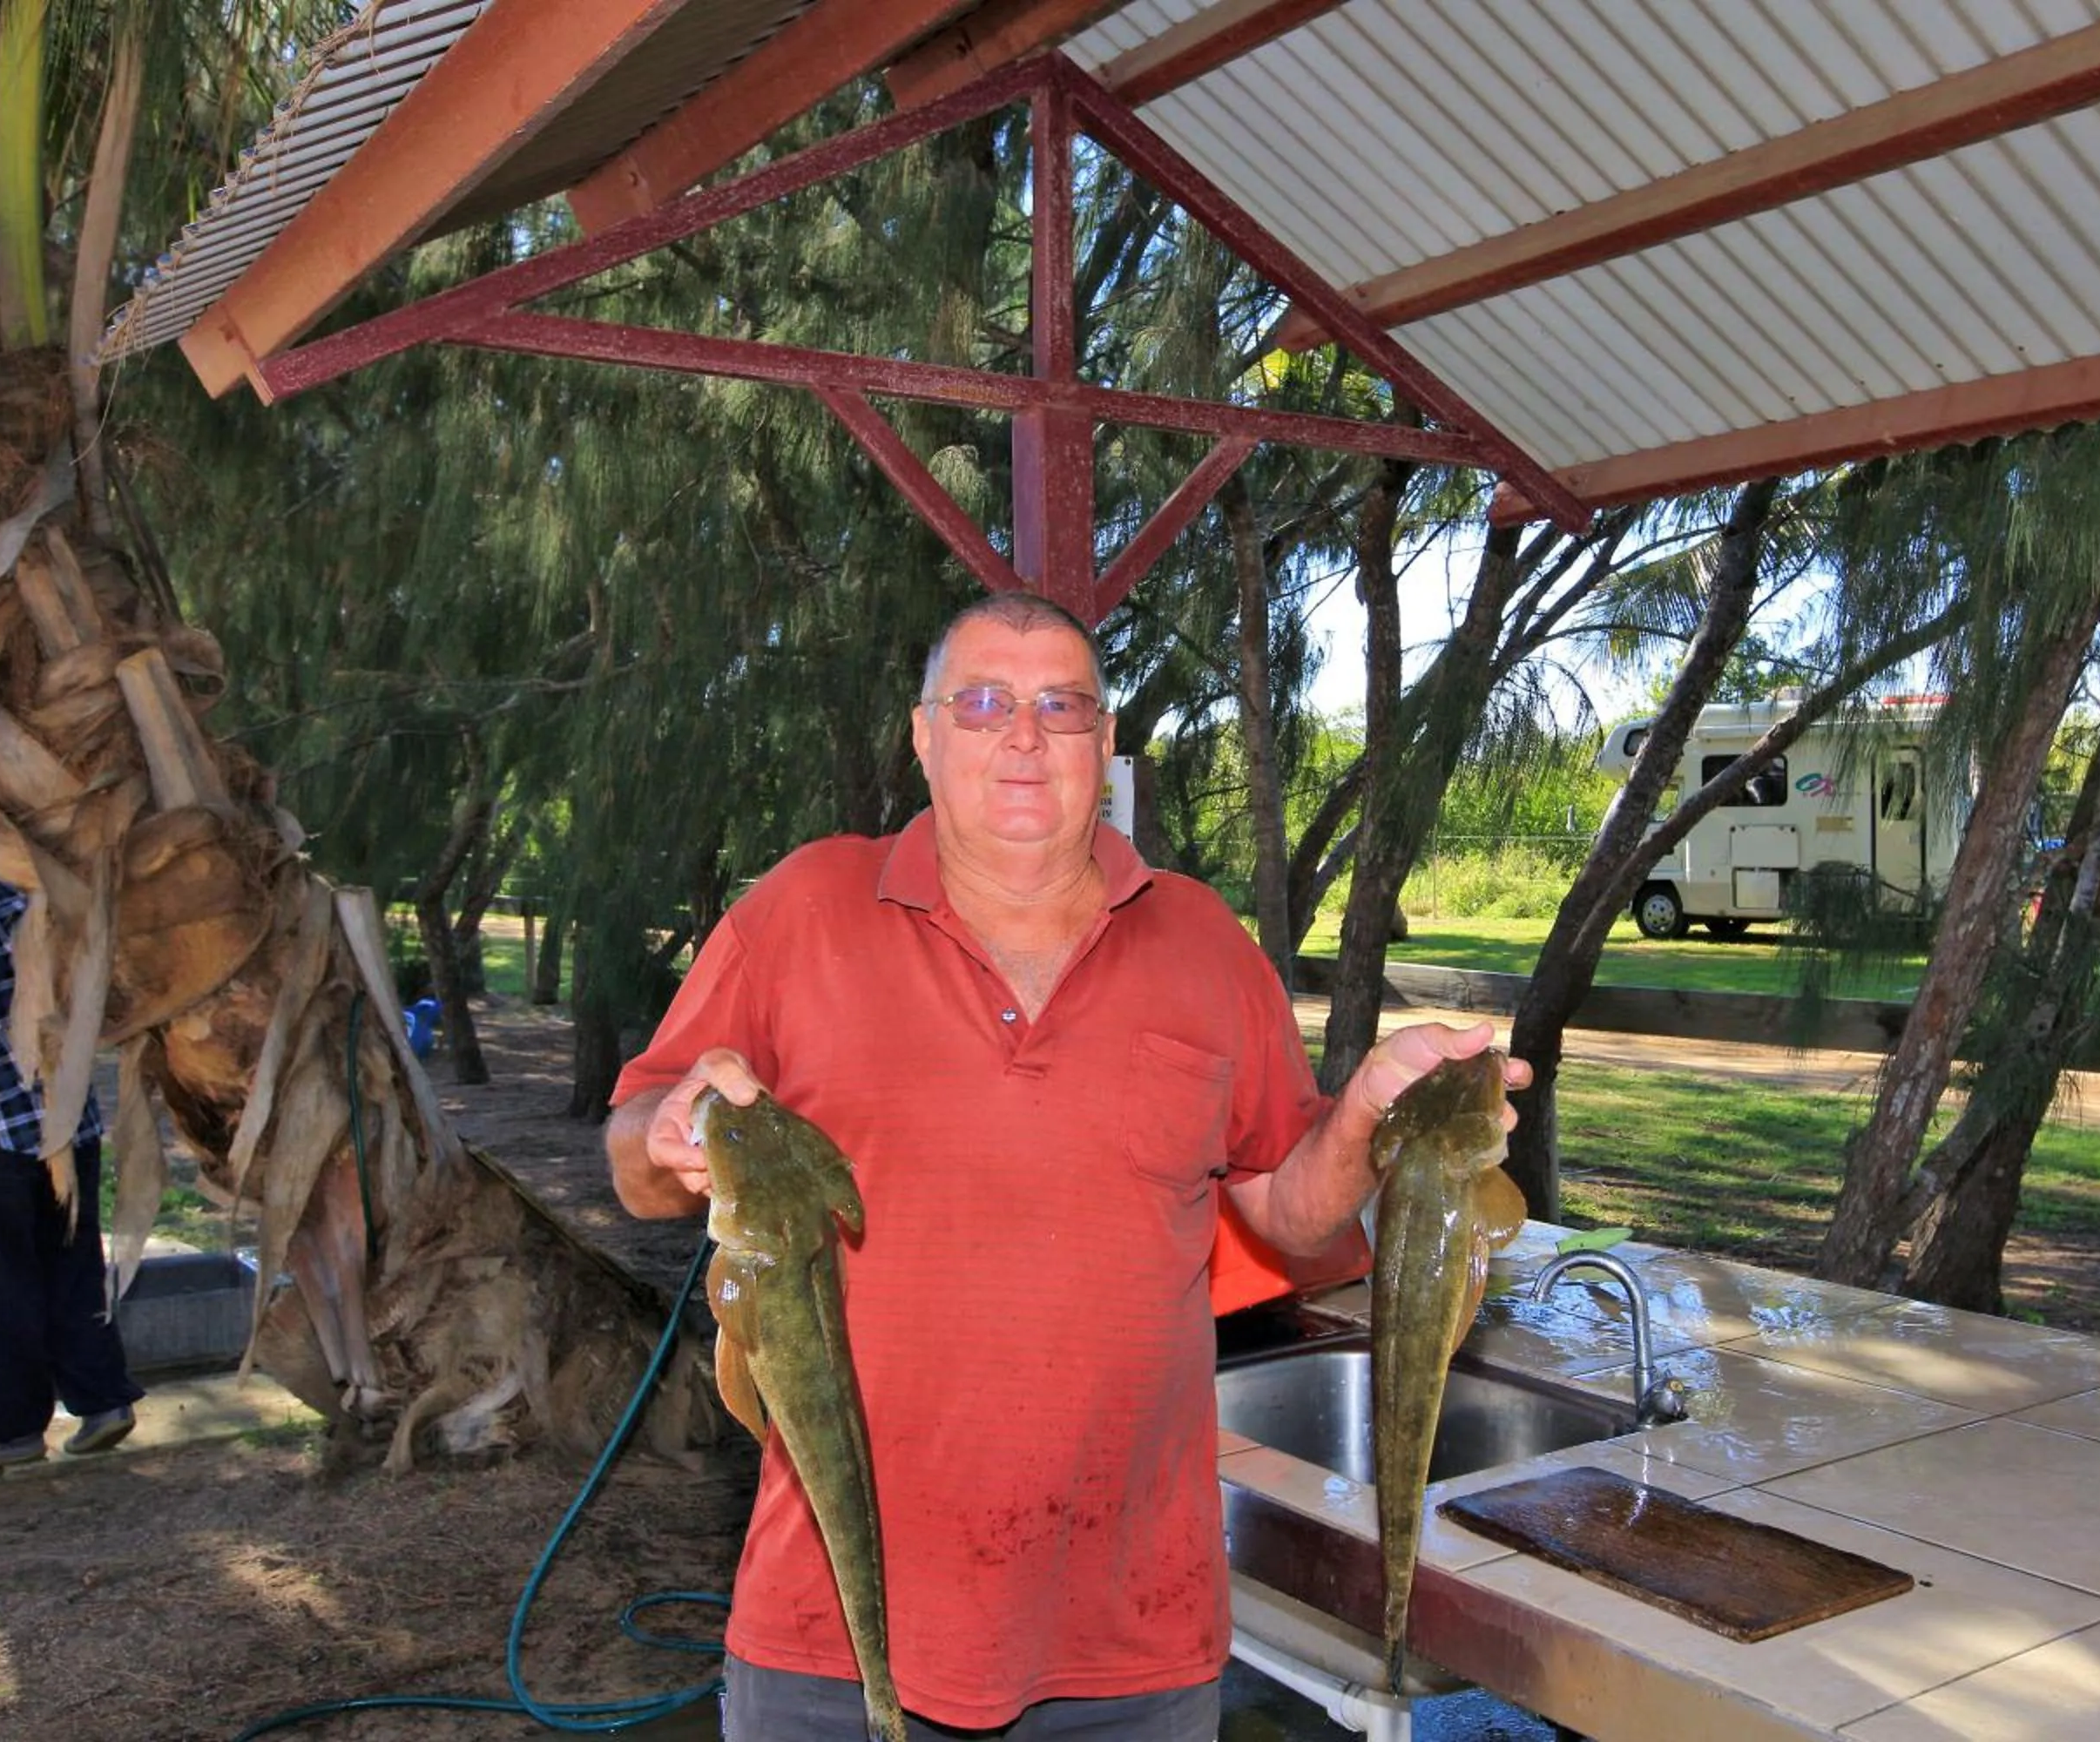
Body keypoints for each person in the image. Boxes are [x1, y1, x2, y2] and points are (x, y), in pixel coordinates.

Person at [608, 592, 1528, 1741]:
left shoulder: (1206, 944)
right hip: (828, 1638)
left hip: (1133, 1642)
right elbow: (639, 1160)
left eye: (1063, 705)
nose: (1025, 735)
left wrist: (1365, 1118)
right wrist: (657, 1137)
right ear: (924, 734)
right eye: (984, 701)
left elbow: (1290, 1215)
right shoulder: (800, 910)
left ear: (1104, 743)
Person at [0, 876, 145, 1475]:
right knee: (72, 1268)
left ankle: (7, 1430)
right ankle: (104, 1402)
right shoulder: (27, 897)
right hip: (67, 1126)